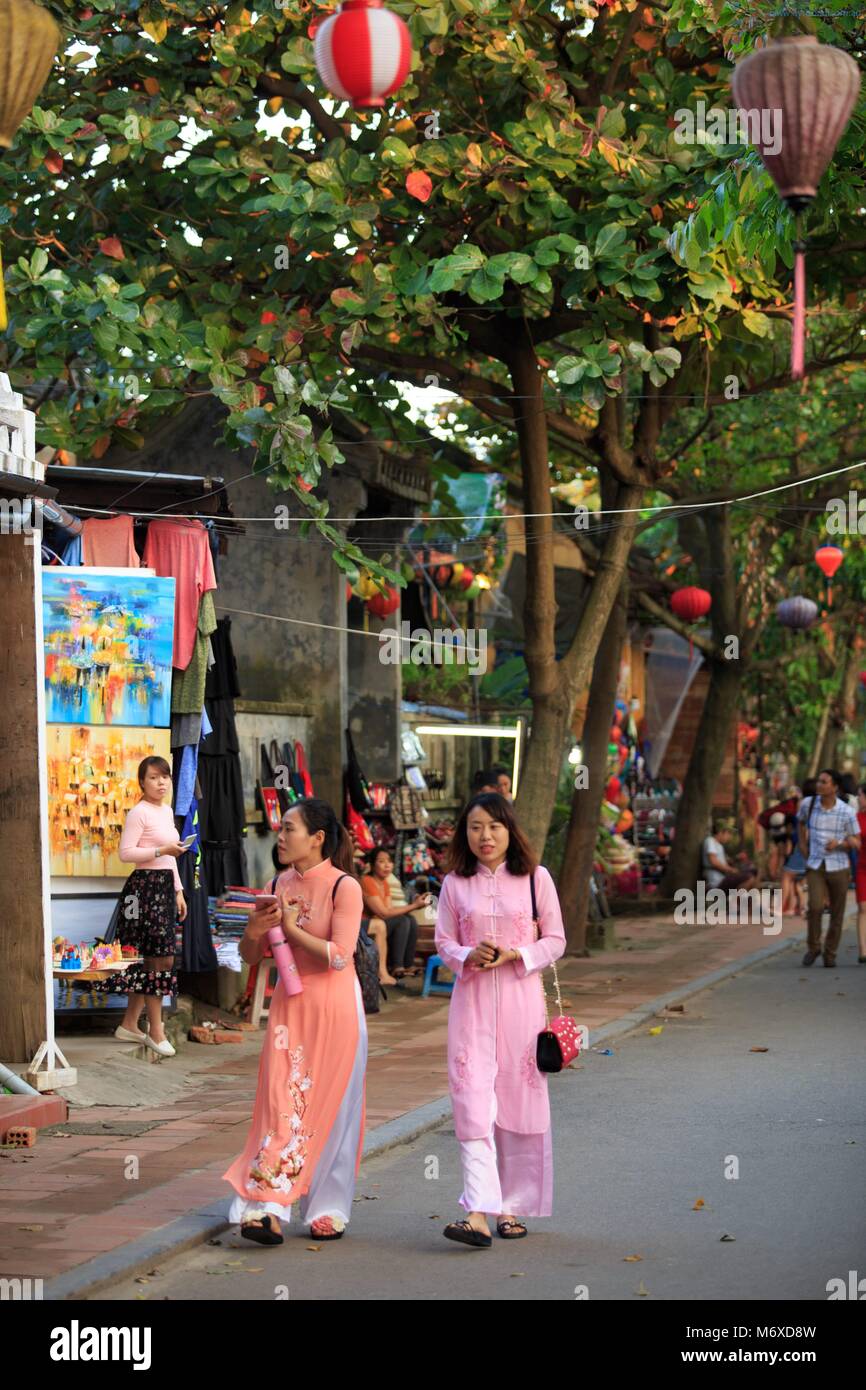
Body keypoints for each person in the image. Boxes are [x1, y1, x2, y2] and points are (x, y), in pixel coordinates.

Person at [223, 799, 366, 1244]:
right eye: (280, 829)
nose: (280, 837)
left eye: (289, 829)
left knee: (333, 1110)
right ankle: (268, 1203)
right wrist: (253, 930)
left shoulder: (345, 887)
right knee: (282, 1103)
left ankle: (327, 1207)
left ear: (318, 838)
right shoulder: (274, 884)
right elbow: (251, 958)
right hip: (289, 1009)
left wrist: (290, 926)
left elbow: (340, 956)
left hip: (336, 1009)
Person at [435, 791, 565, 1247]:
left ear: (510, 829)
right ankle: (477, 1212)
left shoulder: (536, 878)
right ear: (464, 833)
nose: (484, 836)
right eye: (475, 827)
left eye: (493, 826)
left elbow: (555, 940)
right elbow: (443, 942)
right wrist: (468, 955)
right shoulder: (454, 883)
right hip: (470, 1008)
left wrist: (517, 954)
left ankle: (512, 1206)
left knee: (517, 1105)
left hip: (521, 1007)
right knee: (473, 1105)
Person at [110, 756, 187, 1058]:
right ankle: (156, 1030)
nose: (161, 783)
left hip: (165, 887)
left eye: (165, 777)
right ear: (142, 782)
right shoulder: (138, 813)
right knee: (158, 959)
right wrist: (160, 849)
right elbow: (125, 853)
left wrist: (179, 891)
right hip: (144, 889)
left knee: (155, 959)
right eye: (154, 777)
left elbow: (172, 858)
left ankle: (130, 1023)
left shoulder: (167, 811)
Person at [798, 768, 861, 968]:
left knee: (837, 912)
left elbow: (857, 842)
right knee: (815, 907)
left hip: (839, 867)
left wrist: (840, 844)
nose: (819, 785)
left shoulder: (847, 811)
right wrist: (802, 844)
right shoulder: (808, 805)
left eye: (824, 782)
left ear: (834, 787)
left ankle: (830, 953)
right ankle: (813, 947)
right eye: (819, 781)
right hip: (816, 864)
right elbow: (799, 822)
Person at [360, 847, 426, 978]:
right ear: (372, 864)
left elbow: (391, 910)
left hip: (380, 922)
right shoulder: (367, 881)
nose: (387, 865)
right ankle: (397, 966)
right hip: (366, 925)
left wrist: (414, 905)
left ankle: (408, 964)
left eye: (389, 862)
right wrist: (414, 905)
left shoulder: (384, 884)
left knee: (410, 919)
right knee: (402, 921)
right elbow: (383, 913)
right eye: (381, 861)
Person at [701, 818, 758, 892]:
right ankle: (735, 901)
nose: (729, 837)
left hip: (723, 879)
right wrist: (731, 870)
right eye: (728, 833)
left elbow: (723, 862)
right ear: (721, 832)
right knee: (749, 877)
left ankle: (739, 900)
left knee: (752, 872)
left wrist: (736, 858)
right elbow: (713, 861)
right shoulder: (710, 841)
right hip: (717, 882)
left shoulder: (719, 846)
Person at [853, 785, 866, 964]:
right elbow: (852, 839)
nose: (858, 799)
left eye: (860, 795)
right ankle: (863, 951)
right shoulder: (856, 818)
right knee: (863, 908)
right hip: (862, 868)